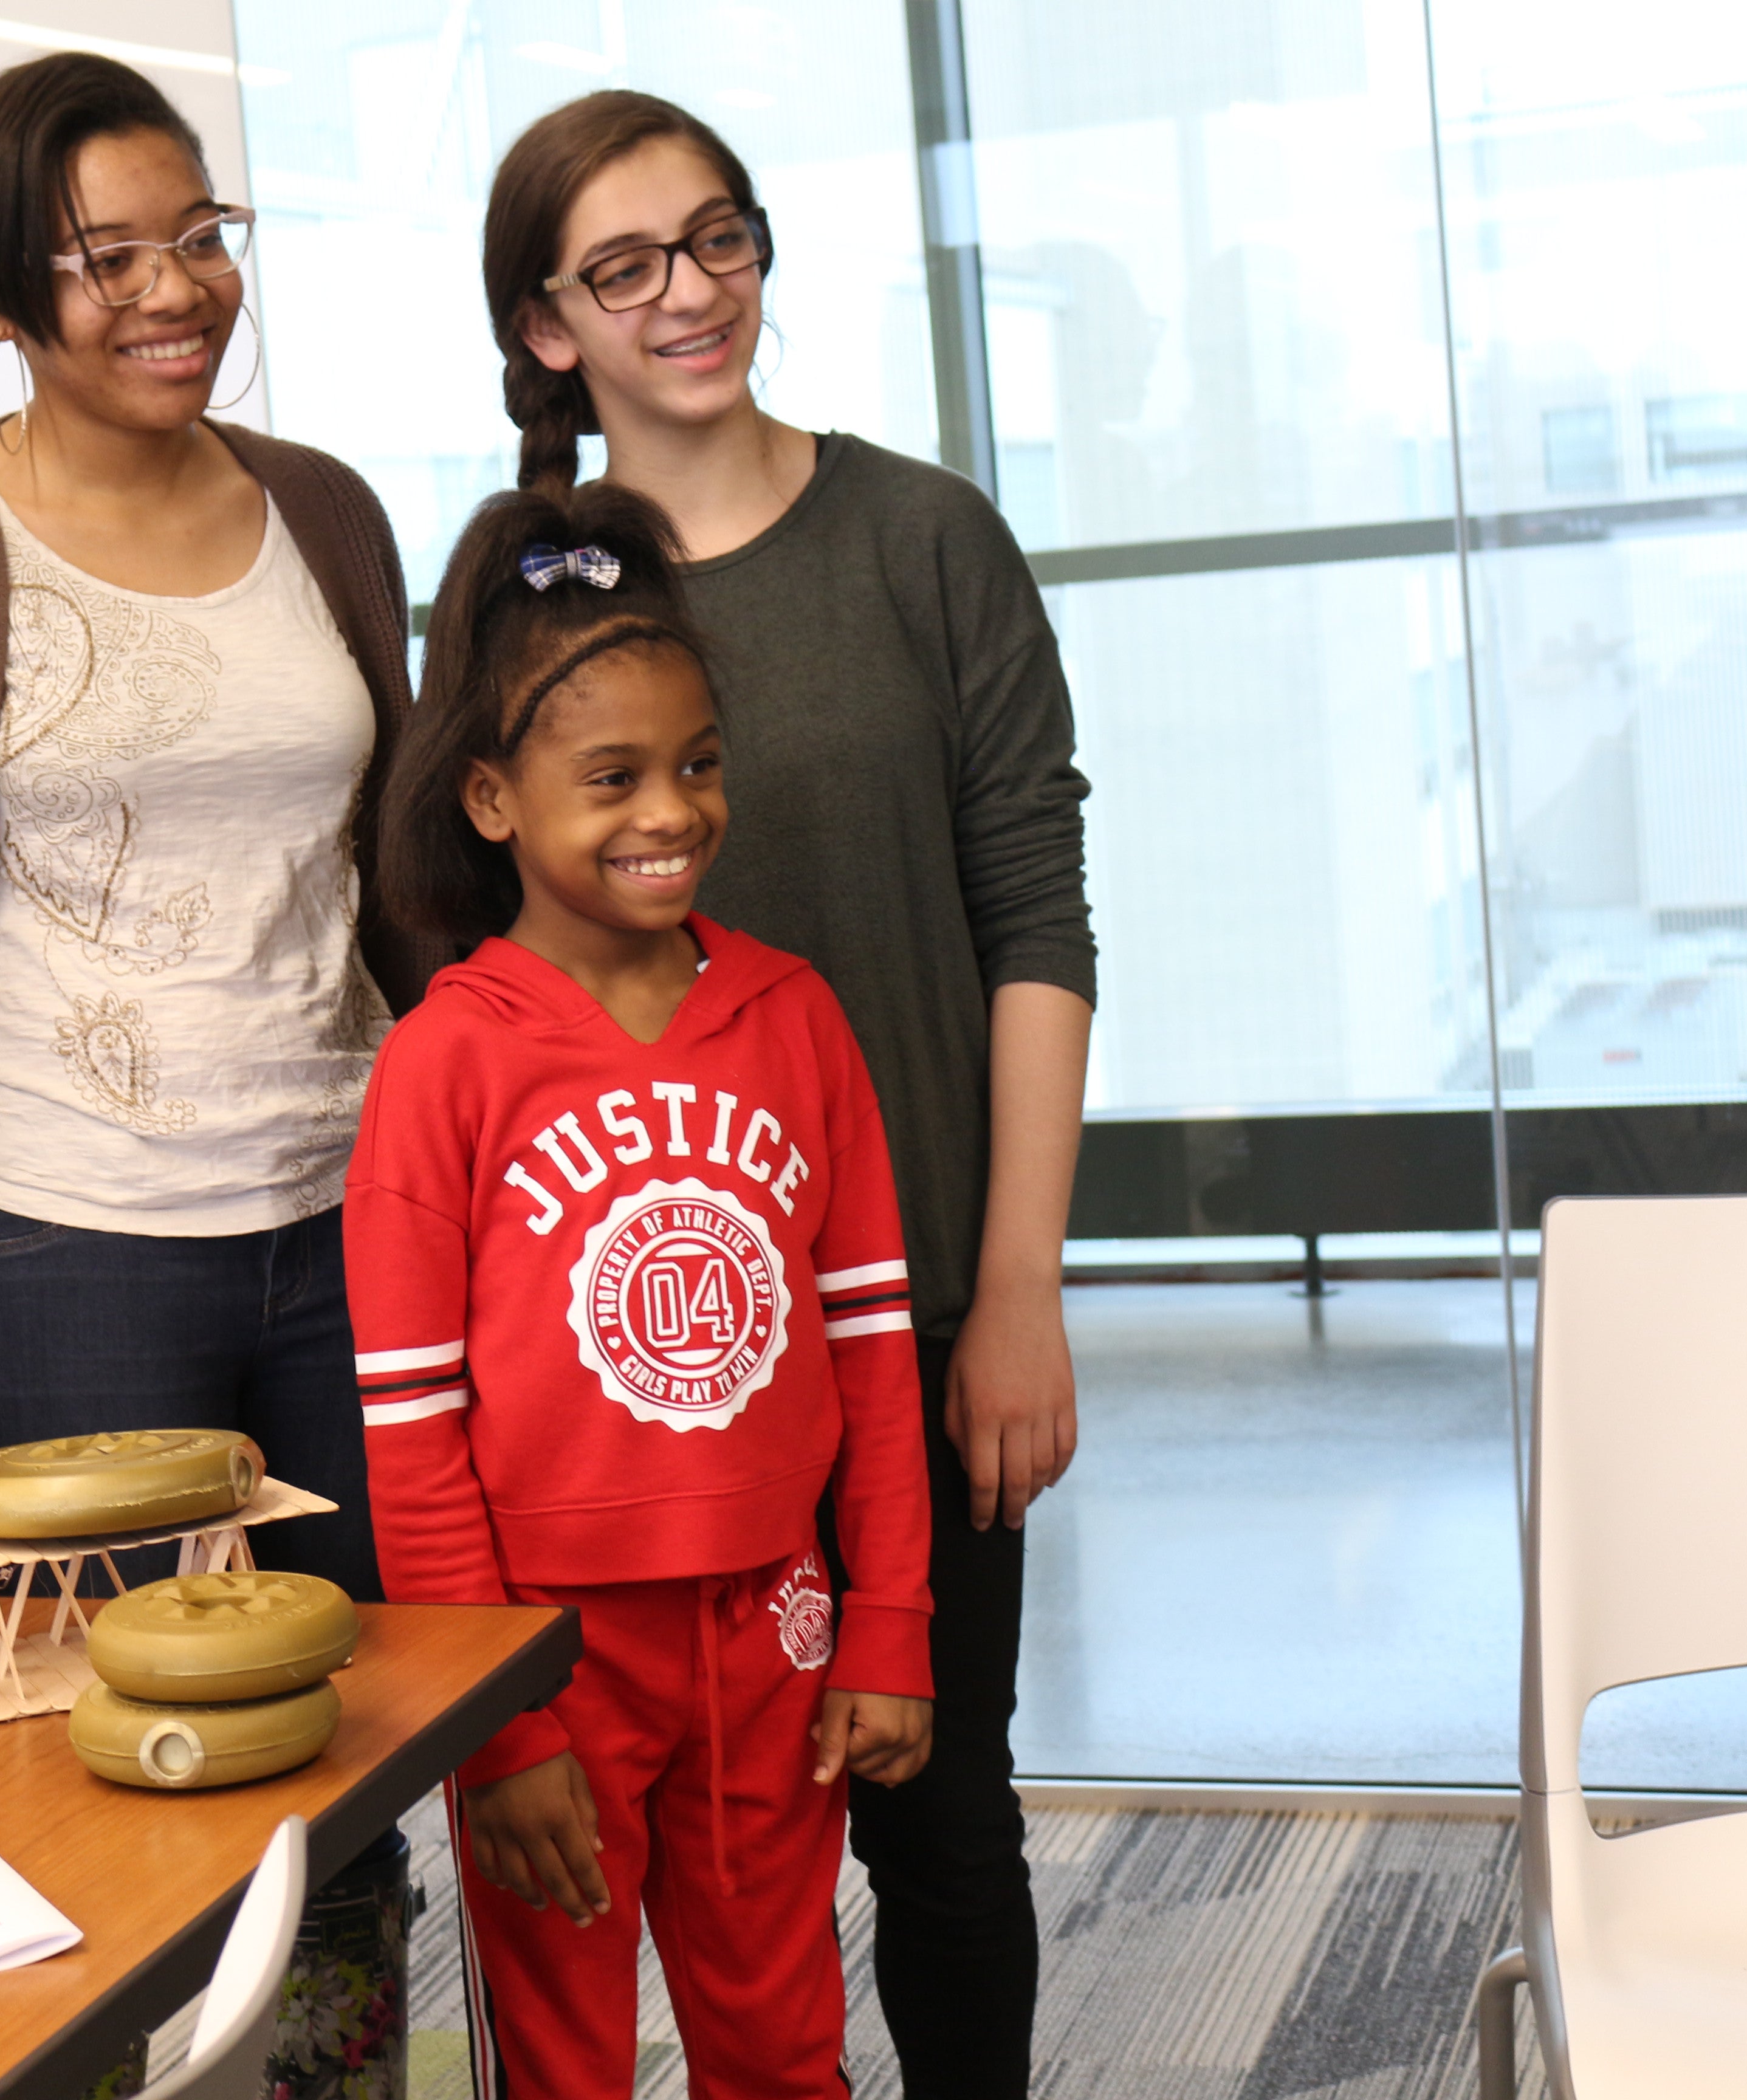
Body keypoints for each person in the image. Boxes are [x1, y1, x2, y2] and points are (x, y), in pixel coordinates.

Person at [478, 91, 1098, 2096]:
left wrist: (1014, 1283)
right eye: (626, 264)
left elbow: (1034, 916)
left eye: (718, 237)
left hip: (902, 1311)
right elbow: (462, 963)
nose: (691, 292)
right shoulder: (522, 593)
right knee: (627, 1843)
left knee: (938, 1808)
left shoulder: (922, 537)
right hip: (622, 1367)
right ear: (547, 322)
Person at [0, 53, 442, 1597]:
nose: (180, 290)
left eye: (203, 236)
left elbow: (403, 875)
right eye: (109, 261)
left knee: (358, 1709)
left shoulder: (327, 510)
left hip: (352, 1211)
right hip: (60, 1236)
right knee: (121, 1725)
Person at [351, 479, 937, 2099]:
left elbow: (872, 1352)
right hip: (550, 1652)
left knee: (782, 2035)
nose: (668, 809)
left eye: (697, 764)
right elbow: (414, 1432)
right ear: (489, 799)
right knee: (562, 2056)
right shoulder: (443, 1066)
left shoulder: (795, 1018)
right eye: (610, 776)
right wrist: (499, 1722)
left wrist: (888, 1621)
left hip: (778, 1627)